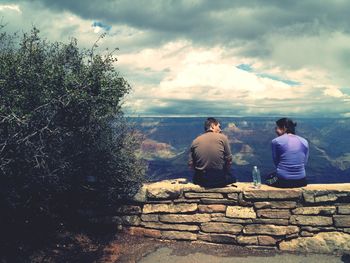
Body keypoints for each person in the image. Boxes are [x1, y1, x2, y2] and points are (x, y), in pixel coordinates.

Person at [188, 117, 236, 188]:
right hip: (218, 179)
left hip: (200, 180)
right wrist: (225, 172)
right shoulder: (222, 138)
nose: (220, 129)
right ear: (213, 126)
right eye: (219, 126)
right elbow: (229, 160)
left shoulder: (195, 141)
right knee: (233, 178)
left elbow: (190, 164)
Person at [266, 117, 309, 188]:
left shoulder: (276, 141)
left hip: (283, 181)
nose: (275, 130)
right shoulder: (304, 141)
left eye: (276, 128)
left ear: (284, 127)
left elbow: (276, 161)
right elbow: (305, 162)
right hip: (302, 181)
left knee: (268, 178)